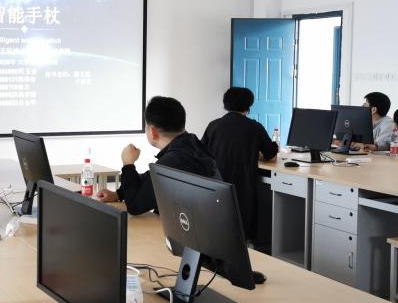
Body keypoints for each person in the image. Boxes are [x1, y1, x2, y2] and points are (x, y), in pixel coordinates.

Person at [96, 96, 219, 215]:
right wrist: (118, 194)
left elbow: (135, 206)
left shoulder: (173, 161)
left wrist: (128, 164)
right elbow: (151, 179)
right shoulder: (191, 144)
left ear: (153, 132)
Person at [201, 87, 277, 243]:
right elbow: (271, 154)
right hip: (244, 187)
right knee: (243, 227)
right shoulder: (254, 127)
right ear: (248, 106)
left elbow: (203, 152)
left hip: (216, 186)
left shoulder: (213, 125)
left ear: (226, 104)